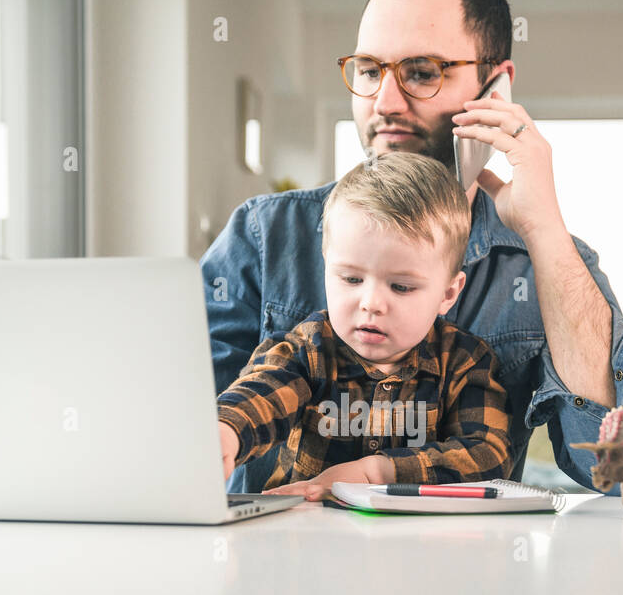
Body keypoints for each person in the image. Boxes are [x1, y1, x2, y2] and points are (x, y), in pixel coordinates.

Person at [202, 0, 623, 494]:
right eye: (368, 70)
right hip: (281, 565)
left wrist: (543, 232)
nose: (384, 102)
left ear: (496, 88)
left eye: (422, 72)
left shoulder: (549, 260)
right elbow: (184, 433)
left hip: (463, 569)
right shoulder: (264, 236)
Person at [217, 151, 513, 500]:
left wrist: (376, 472)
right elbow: (261, 394)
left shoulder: (465, 362)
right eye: (351, 278)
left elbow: (488, 454)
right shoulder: (306, 350)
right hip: (305, 538)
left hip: (423, 544)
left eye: (401, 286)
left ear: (448, 293)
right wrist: (226, 431)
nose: (371, 302)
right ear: (327, 269)